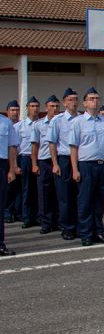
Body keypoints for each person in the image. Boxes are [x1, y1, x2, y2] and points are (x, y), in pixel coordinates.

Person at [69, 88, 104, 246]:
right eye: (91, 98)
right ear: (85, 102)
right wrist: (75, 169)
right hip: (86, 165)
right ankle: (86, 234)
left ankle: (98, 232)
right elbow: (73, 147)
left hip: (103, 165)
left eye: (97, 98)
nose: (95, 101)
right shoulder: (78, 122)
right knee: (85, 201)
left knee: (99, 201)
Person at [48, 87, 80, 237]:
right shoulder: (57, 120)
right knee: (65, 196)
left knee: (80, 195)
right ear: (64, 103)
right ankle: (67, 228)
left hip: (81, 160)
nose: (73, 103)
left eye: (75, 100)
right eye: (70, 100)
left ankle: (80, 226)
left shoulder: (82, 118)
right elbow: (52, 143)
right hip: (64, 160)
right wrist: (55, 164)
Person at [31, 96, 60, 235]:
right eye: (52, 106)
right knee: (44, 193)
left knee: (59, 192)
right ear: (46, 108)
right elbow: (35, 146)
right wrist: (34, 163)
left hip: (59, 160)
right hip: (44, 161)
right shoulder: (39, 124)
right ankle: (46, 223)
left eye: (56, 106)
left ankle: (58, 221)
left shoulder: (62, 122)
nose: (54, 109)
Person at [13, 97, 39, 226]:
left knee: (38, 189)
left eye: (36, 106)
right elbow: (15, 147)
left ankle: (38, 216)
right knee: (26, 189)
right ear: (27, 108)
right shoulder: (20, 126)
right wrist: (15, 165)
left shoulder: (41, 124)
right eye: (32, 106)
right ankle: (27, 217)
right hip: (25, 158)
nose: (35, 109)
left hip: (39, 160)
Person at [0, 106, 19, 255]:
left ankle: (0, 244)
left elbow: (12, 147)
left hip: (2, 165)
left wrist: (12, 169)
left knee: (0, 206)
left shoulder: (6, 123)